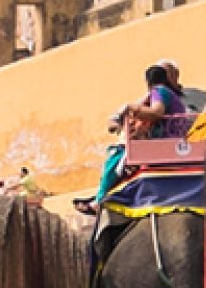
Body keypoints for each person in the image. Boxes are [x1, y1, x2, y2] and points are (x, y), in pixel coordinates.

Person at [72, 62, 188, 215]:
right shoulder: (172, 96)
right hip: (174, 138)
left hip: (163, 140)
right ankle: (103, 195)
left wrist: (132, 108)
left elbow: (157, 112)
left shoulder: (159, 92)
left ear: (148, 82)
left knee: (115, 157)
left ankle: (99, 200)